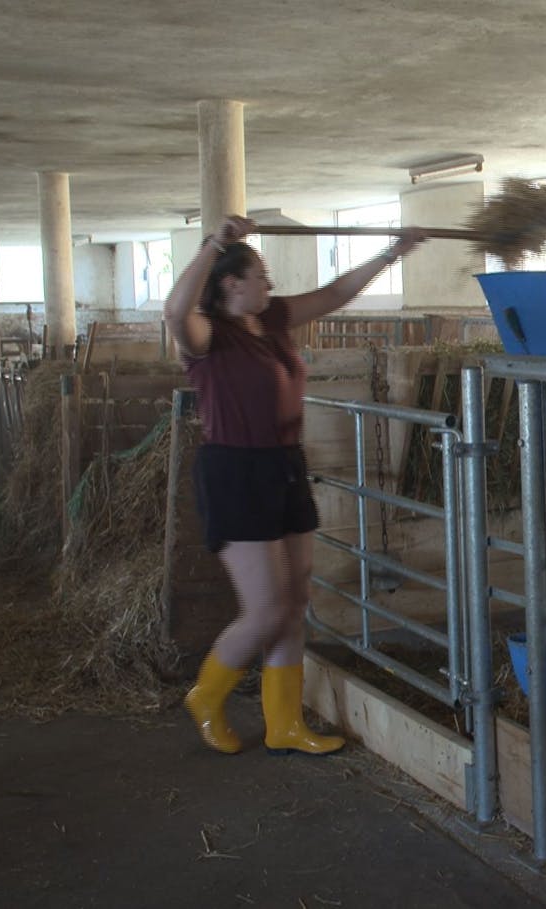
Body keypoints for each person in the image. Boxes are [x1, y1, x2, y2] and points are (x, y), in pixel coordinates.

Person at [168, 214, 425, 755]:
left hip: (284, 464)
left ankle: (283, 723)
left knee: (293, 601)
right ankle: (205, 695)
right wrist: (213, 243)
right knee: (264, 608)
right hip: (235, 472)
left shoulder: (275, 320)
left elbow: (334, 294)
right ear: (231, 283)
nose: (271, 283)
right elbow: (175, 310)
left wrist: (391, 254)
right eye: (261, 274)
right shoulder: (207, 337)